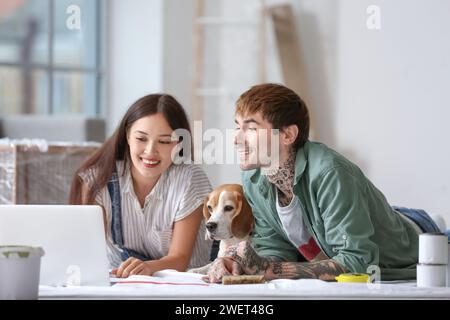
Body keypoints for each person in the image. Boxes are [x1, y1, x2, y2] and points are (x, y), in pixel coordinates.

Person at [206, 83, 442, 283]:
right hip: (362, 221)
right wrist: (242, 263)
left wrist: (270, 270)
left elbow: (358, 261)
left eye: (251, 128)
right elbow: (274, 249)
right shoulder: (254, 177)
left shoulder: (330, 172)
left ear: (287, 135)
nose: (236, 139)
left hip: (419, 236)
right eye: (238, 127)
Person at [70, 93, 213, 277]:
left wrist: (149, 267)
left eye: (164, 141)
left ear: (178, 144)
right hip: (123, 284)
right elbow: (88, 254)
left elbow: (179, 259)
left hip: (184, 285)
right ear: (128, 135)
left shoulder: (190, 179)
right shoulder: (96, 181)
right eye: (141, 139)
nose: (150, 151)